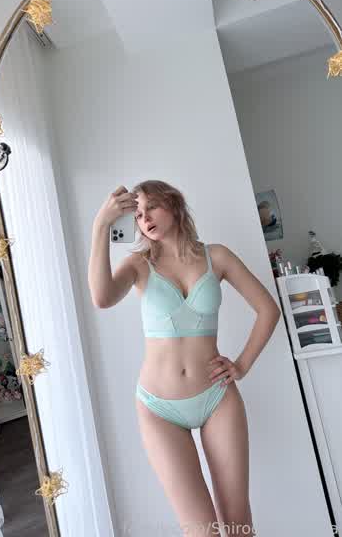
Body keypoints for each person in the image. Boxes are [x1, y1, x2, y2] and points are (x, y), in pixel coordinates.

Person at [88, 180, 281, 537]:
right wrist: (101, 225)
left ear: (174, 206)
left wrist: (241, 365)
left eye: (152, 207)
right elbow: (101, 297)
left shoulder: (217, 257)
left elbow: (268, 309)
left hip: (217, 398)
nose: (145, 218)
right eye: (138, 214)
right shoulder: (139, 265)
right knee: (201, 531)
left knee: (239, 524)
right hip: (159, 408)